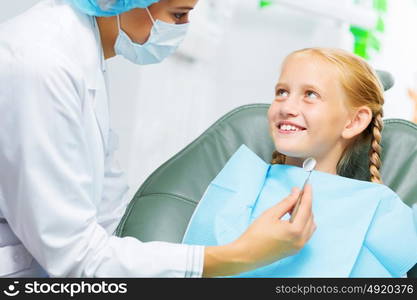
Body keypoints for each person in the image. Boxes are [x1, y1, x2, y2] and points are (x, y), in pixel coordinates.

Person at [0, 0, 316, 277]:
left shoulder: (81, 52)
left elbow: (109, 208)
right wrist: (238, 256)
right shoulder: (42, 65)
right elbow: (75, 255)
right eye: (178, 15)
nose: (182, 29)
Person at [183, 48, 417, 277]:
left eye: (310, 95)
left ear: (354, 121)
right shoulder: (242, 181)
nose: (286, 107)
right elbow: (202, 263)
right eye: (282, 92)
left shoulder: (378, 206)